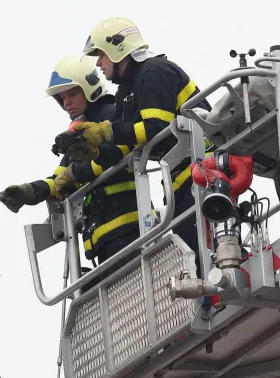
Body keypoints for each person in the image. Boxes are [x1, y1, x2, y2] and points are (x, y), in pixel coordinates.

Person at [62, 17, 213, 279]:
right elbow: (126, 145)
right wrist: (92, 150)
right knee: (193, 251)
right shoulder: (127, 91)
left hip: (204, 171)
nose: (98, 63)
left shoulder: (154, 72)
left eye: (101, 55)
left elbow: (156, 127)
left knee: (206, 249)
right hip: (182, 178)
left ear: (117, 49)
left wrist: (106, 131)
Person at [0, 55, 143, 291]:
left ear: (89, 89)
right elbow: (60, 180)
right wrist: (30, 192)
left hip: (127, 230)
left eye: (72, 94)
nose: (66, 103)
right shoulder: (78, 134)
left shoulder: (113, 115)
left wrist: (75, 174)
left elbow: (114, 155)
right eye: (61, 98)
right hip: (102, 238)